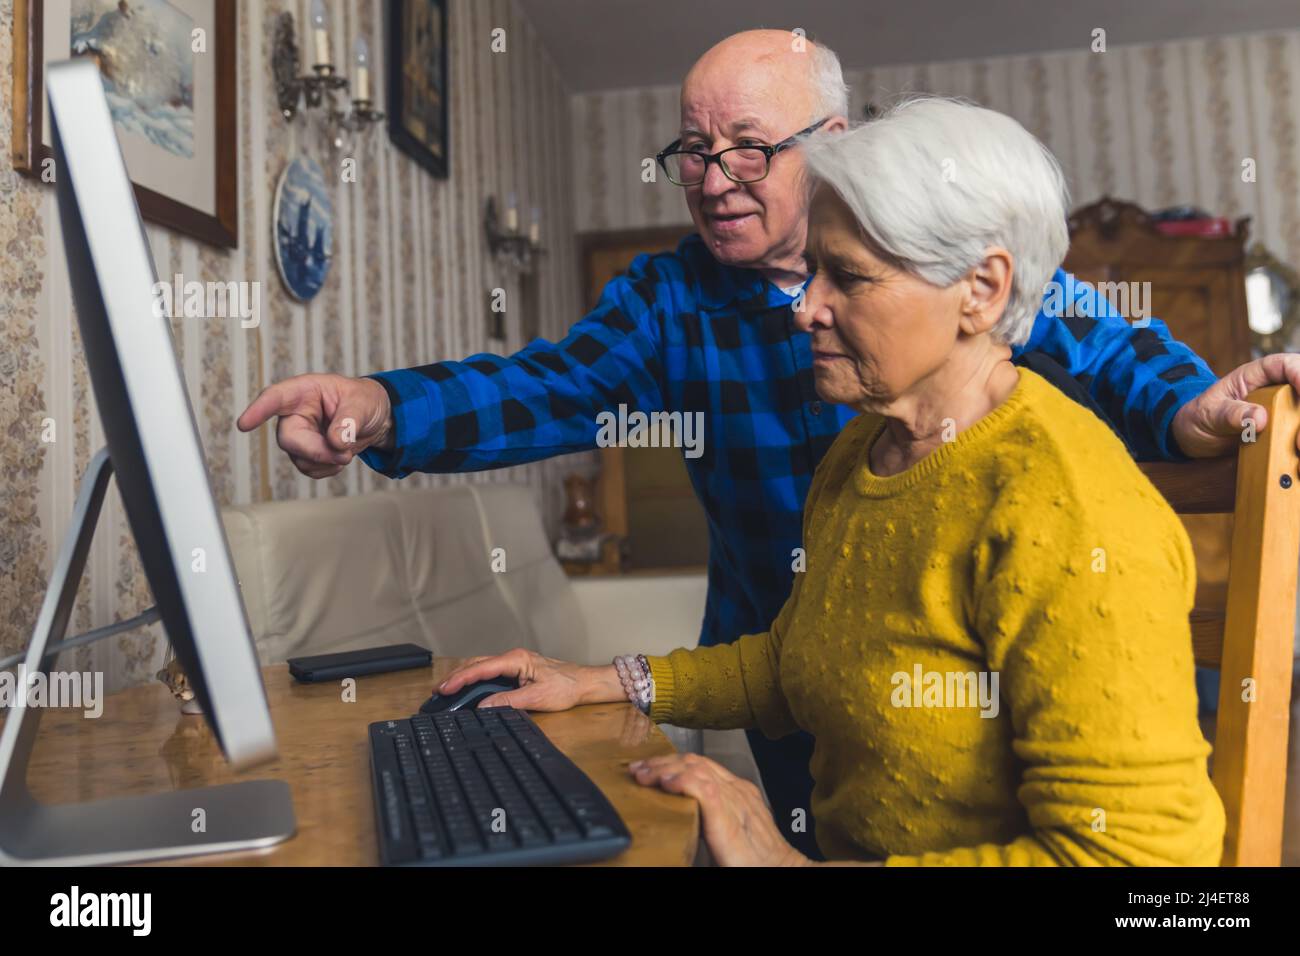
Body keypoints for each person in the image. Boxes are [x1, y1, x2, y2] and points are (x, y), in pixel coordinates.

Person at [238, 30, 1295, 860]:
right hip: (792, 675)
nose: (712, 175)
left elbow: (1104, 341)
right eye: (692, 152)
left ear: (833, 140)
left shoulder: (958, 263)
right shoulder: (677, 302)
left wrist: (1189, 408)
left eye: (747, 145)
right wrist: (378, 405)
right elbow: (546, 386)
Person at [434, 96, 1227, 866]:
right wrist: (602, 680)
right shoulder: (863, 453)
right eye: (812, 271)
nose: (805, 307)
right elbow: (796, 661)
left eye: (847, 277)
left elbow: (1137, 860)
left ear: (981, 291)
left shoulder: (1067, 506)